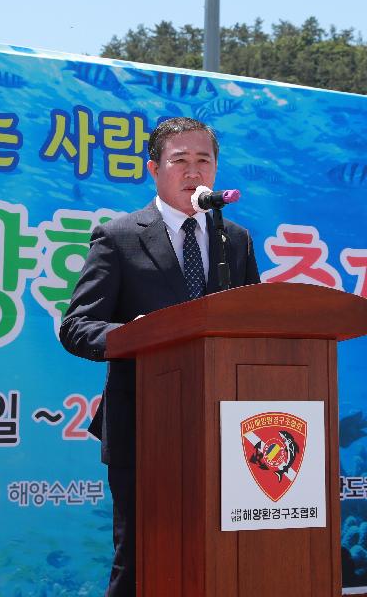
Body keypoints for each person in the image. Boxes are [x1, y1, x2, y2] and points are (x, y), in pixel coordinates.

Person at [59, 116, 260, 597]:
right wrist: (141, 337)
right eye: (180, 161)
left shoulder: (237, 240)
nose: (193, 172)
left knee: (223, 555)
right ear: (154, 168)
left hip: (227, 426)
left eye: (204, 160)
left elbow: (255, 324)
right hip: (144, 424)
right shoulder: (119, 236)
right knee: (144, 560)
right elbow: (77, 326)